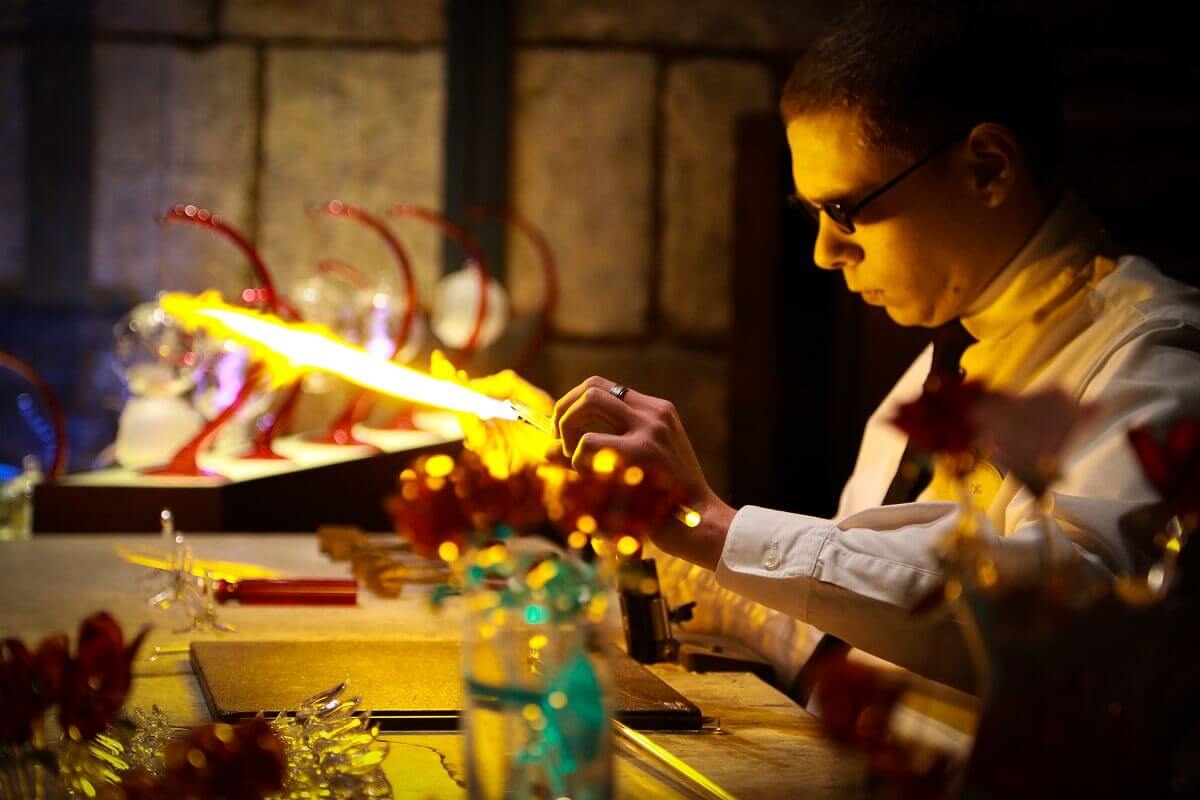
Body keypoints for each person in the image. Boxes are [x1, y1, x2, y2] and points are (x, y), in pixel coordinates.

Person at [546, 0, 1200, 693]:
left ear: (987, 169)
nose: (826, 253)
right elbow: (852, 631)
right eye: (812, 214)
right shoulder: (944, 358)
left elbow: (1083, 626)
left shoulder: (1159, 356)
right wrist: (667, 537)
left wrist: (717, 528)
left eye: (843, 210)